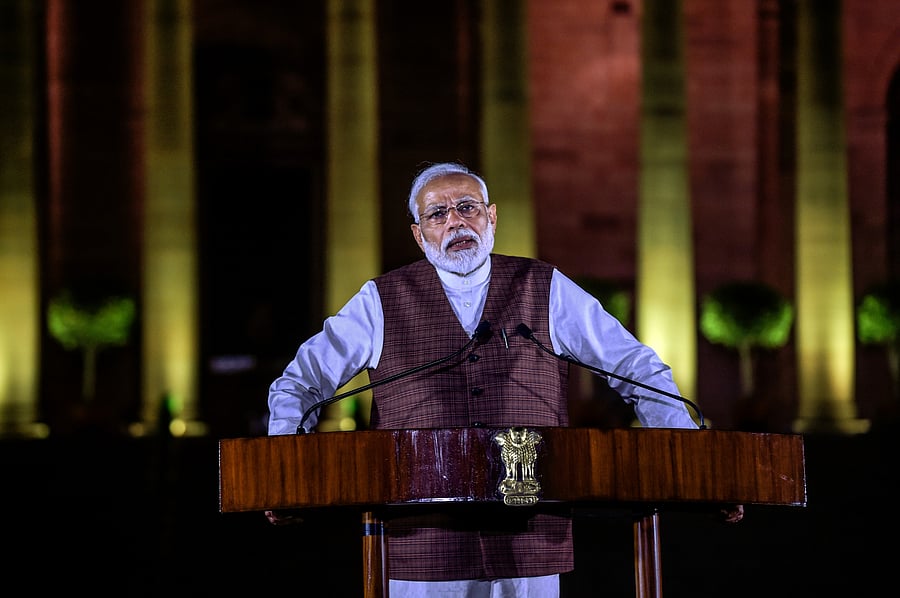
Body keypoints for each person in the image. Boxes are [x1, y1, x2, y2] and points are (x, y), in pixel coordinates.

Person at [266, 161, 734, 597]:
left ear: (491, 216)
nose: (456, 222)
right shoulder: (380, 301)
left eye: (467, 207)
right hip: (421, 545)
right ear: (418, 232)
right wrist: (287, 472)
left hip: (530, 537)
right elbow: (298, 385)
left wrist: (687, 459)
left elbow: (637, 368)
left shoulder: (544, 286)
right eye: (438, 214)